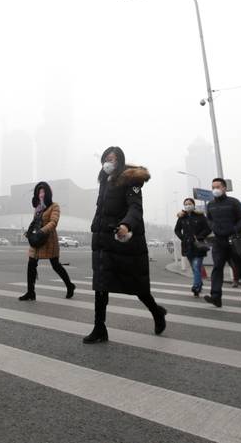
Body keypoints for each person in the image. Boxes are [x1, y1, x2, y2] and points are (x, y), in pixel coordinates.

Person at [84, 146, 166, 343]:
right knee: (101, 284)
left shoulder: (132, 180)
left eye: (112, 159)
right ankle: (99, 328)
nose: (108, 162)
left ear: (120, 161)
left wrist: (126, 225)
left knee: (137, 286)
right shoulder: (104, 180)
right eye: (106, 158)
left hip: (125, 241)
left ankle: (157, 312)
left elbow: (135, 208)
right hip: (103, 240)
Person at [18, 181, 76, 301]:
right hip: (37, 241)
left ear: (48, 193)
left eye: (43, 191)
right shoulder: (38, 208)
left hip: (49, 240)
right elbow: (35, 222)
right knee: (31, 264)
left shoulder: (54, 206)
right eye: (39, 192)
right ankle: (30, 292)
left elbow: (53, 222)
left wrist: (42, 231)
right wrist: (30, 232)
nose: (41, 194)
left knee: (56, 265)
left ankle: (70, 285)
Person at [203, 177, 241, 307]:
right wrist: (213, 227)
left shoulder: (233, 202)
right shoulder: (211, 204)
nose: (215, 189)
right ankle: (216, 296)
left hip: (234, 240)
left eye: (218, 187)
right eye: (213, 187)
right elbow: (208, 219)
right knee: (217, 268)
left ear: (224, 188)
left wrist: (235, 229)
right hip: (219, 242)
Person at [174, 198, 212, 296]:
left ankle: (196, 287)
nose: (188, 205)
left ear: (194, 205)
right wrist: (182, 238)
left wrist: (199, 236)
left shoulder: (200, 216)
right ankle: (199, 284)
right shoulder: (182, 217)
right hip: (187, 246)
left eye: (189, 203)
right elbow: (177, 230)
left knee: (196, 266)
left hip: (198, 245)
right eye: (186, 204)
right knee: (195, 267)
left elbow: (208, 229)